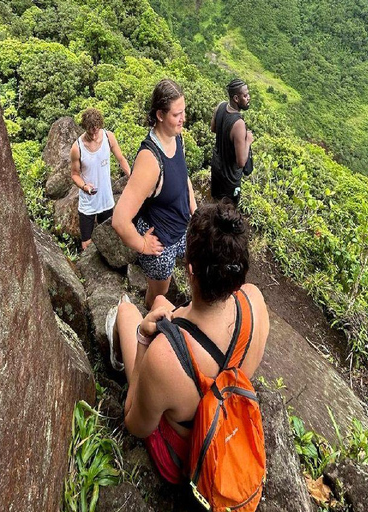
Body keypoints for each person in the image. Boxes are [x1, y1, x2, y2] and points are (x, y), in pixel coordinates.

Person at [106, 200, 269, 485]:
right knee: (160, 302)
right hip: (221, 415)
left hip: (185, 455)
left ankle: (121, 346)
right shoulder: (255, 301)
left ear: (190, 270)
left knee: (127, 312)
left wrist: (144, 339)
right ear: (238, 275)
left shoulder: (165, 357)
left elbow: (136, 425)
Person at [112, 79, 197, 309]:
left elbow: (183, 176)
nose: (183, 119)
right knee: (161, 294)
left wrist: (195, 214)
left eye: (184, 111)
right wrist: (142, 245)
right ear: (160, 115)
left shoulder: (176, 137)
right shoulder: (150, 161)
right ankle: (148, 316)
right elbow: (119, 220)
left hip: (182, 225)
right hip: (160, 241)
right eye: (177, 114)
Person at [70, 108, 131, 251]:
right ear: (85, 128)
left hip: (106, 199)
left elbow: (121, 159)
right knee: (86, 242)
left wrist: (131, 176)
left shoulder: (109, 137)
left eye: (96, 130)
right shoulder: (77, 147)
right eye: (90, 131)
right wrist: (85, 186)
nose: (94, 134)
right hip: (88, 202)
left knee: (107, 238)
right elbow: (74, 174)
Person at [210, 78, 254, 204]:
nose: (248, 98)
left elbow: (213, 128)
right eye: (245, 95)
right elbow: (241, 162)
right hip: (229, 179)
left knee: (215, 205)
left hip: (216, 169)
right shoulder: (238, 123)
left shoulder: (221, 106)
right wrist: (248, 141)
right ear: (236, 98)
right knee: (228, 213)